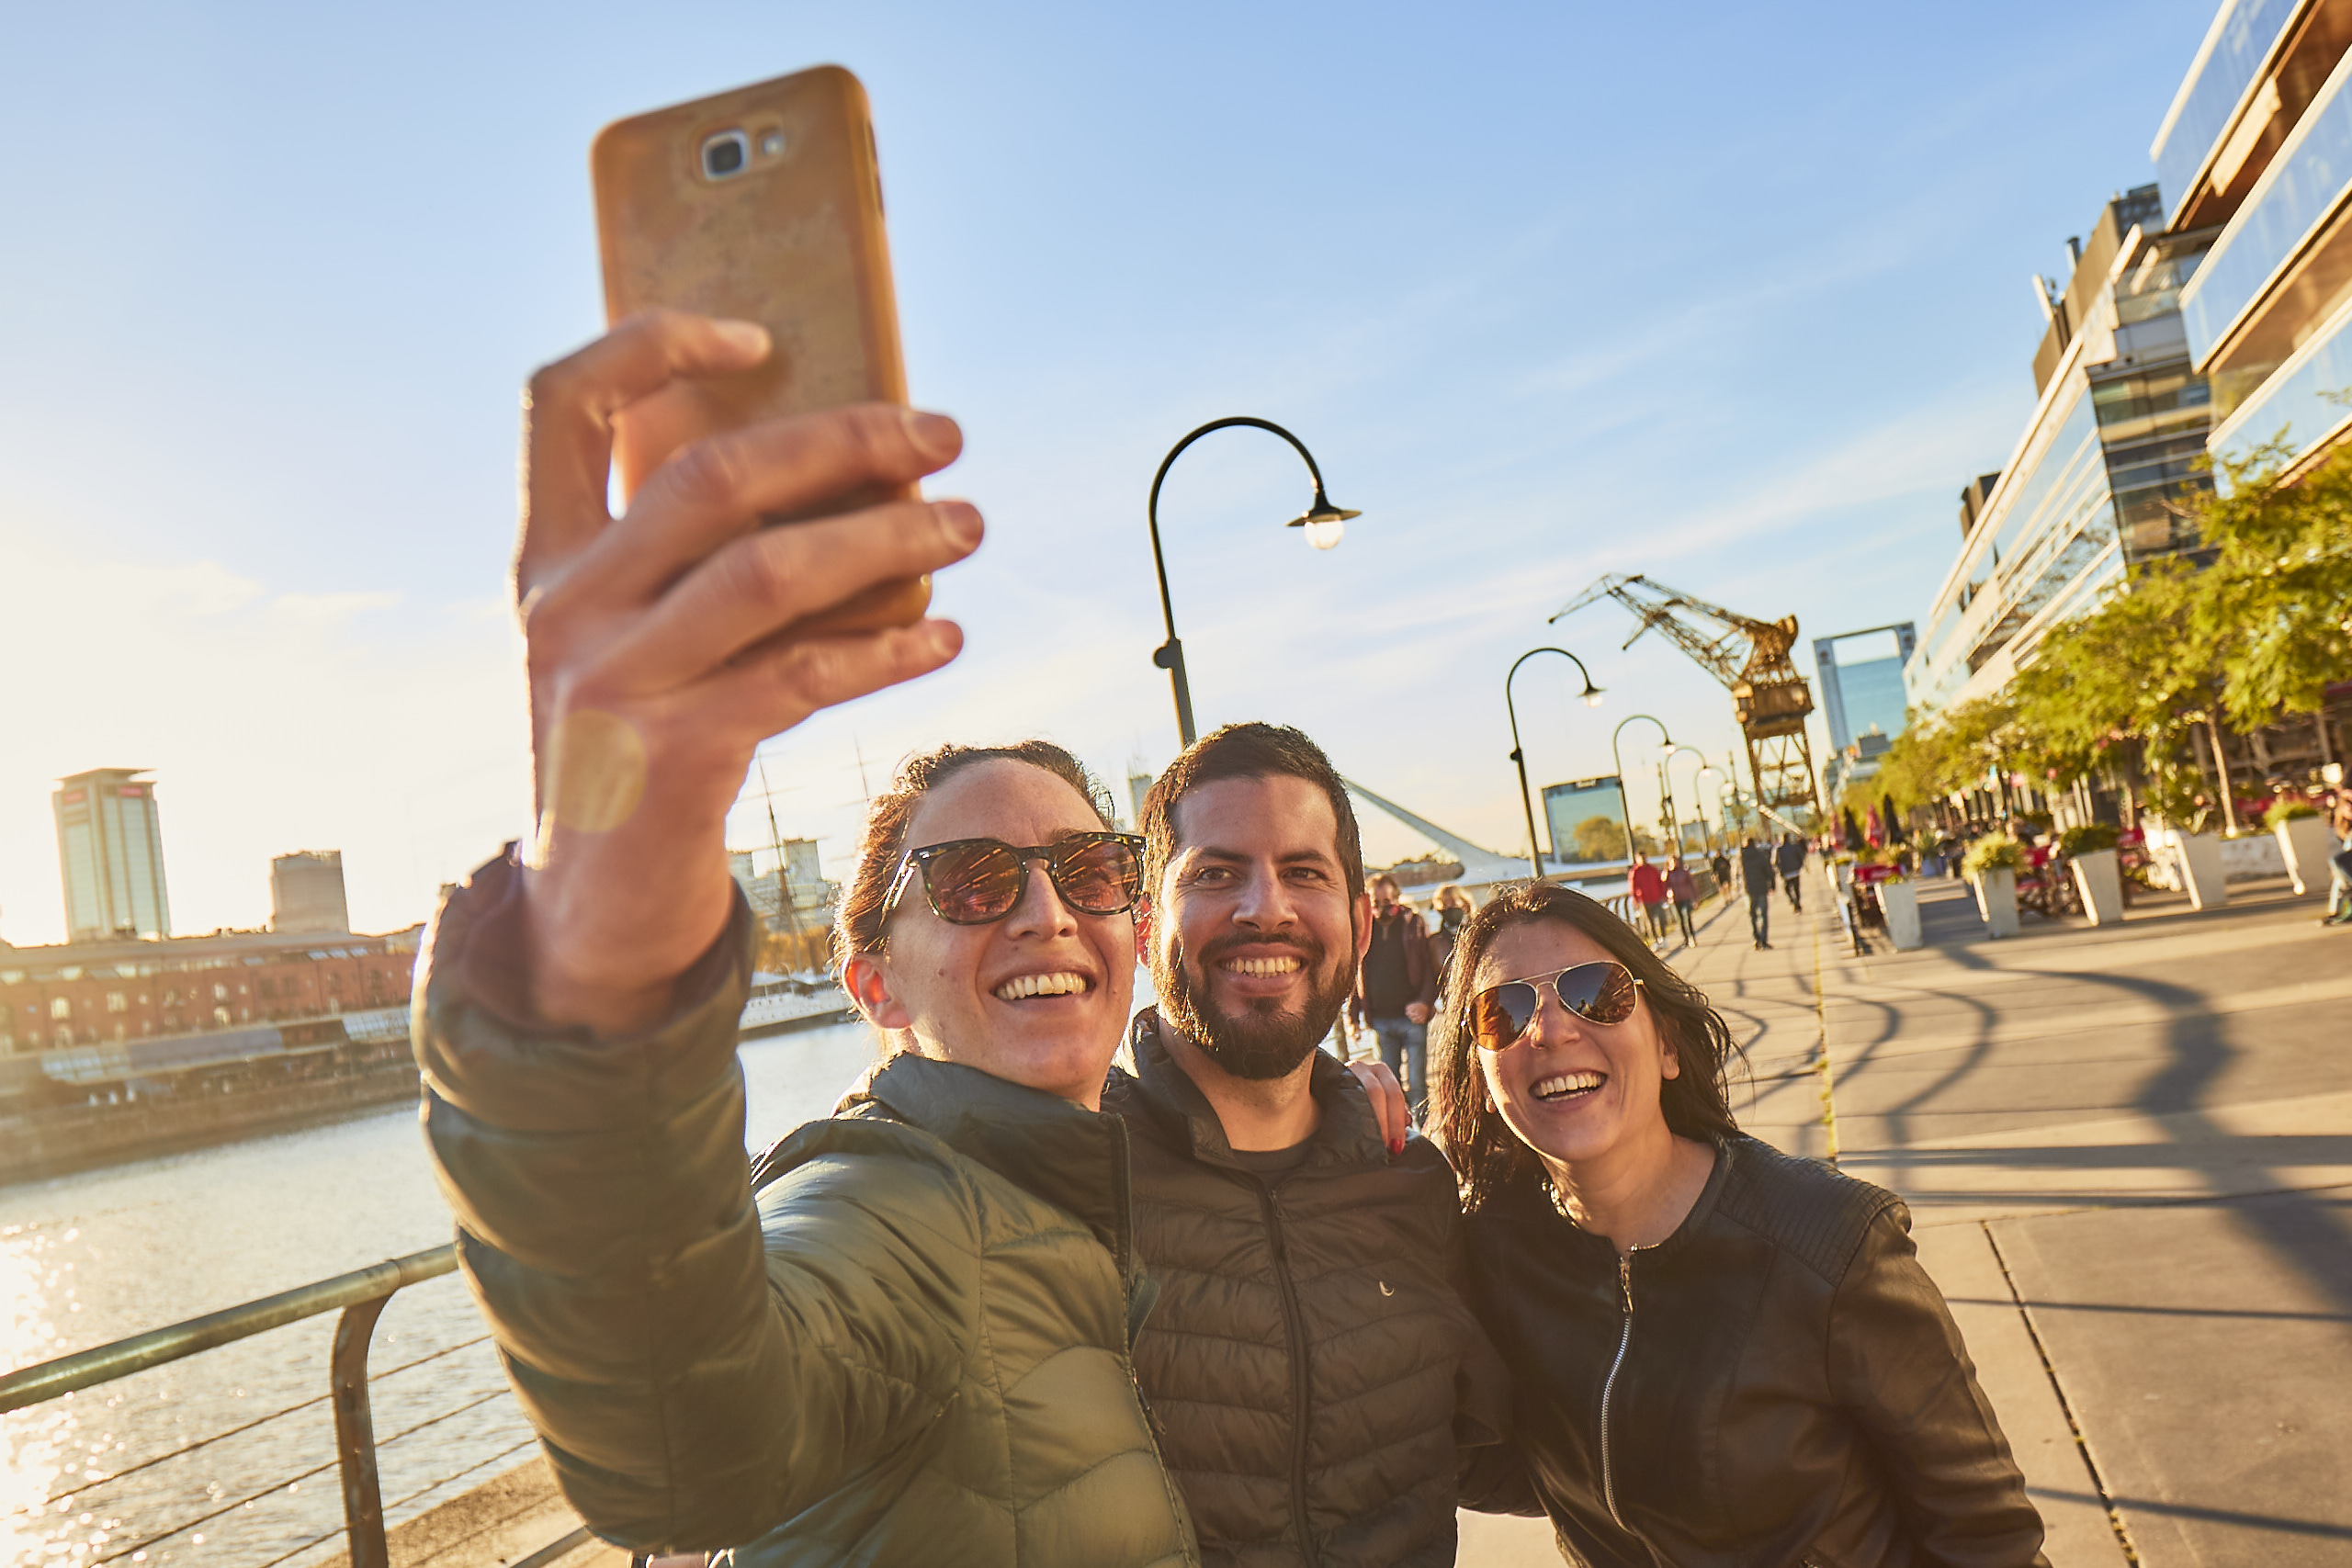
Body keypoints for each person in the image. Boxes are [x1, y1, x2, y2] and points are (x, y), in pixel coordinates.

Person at [415, 312, 1195, 1565]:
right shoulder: (884, 1204)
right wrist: (598, 925)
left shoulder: (1078, 1175)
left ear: (1132, 920)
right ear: (874, 981)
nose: (1047, 909)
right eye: (977, 877)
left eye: (1087, 866)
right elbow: (696, 1441)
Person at [1431, 883, 2050, 1568]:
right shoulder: (1495, 1249)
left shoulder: (1829, 1245)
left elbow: (1990, 1540)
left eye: (1595, 992)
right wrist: (1359, 1175)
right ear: (1482, 1081)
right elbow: (1503, 1463)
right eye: (1503, 1012)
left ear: (1667, 1043)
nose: (1549, 1030)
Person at [1108, 722, 1509, 1566]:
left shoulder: (1414, 1182)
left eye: (1304, 872)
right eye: (1216, 873)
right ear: (1146, 929)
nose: (1266, 907)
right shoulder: (1068, 1176)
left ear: (1361, 926)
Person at [1351, 874, 1438, 1116]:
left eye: (1387, 902)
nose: (1382, 909)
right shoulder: (1363, 930)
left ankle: (1427, 1140)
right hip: (1380, 1020)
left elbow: (1429, 969)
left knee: (1419, 1086)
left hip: (1411, 1018)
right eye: (1376, 904)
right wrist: (1353, 1020)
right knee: (1390, 1089)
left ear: (1397, 898)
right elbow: (1355, 976)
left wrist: (1424, 1003)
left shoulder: (1413, 923)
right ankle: (1403, 1139)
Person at [1739, 834, 1776, 950]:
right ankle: (1764, 940)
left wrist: (1739, 887)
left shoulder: (1741, 857)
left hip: (1748, 890)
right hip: (1761, 888)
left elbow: (1737, 873)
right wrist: (1772, 884)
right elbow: (1769, 870)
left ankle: (1755, 939)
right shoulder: (1760, 855)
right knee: (1763, 915)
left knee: (1752, 916)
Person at [1432, 883, 1474, 973]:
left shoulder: (1475, 935)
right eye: (1445, 905)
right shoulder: (1434, 942)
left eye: (1453, 903)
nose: (1449, 908)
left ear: (1465, 906)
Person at [1627, 852, 1668, 942]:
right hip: (1644, 900)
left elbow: (1660, 882)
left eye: (1644, 858)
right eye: (1641, 858)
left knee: (1661, 918)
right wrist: (1635, 899)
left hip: (1656, 898)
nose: (1643, 860)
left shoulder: (1653, 869)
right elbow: (1632, 887)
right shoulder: (1635, 872)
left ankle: (1663, 938)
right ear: (1637, 859)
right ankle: (1655, 940)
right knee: (1649, 922)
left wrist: (1663, 895)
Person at [2325, 791, 2352, 927]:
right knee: (2338, 869)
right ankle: (2336, 911)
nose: (2349, 807)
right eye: (2347, 804)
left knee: (2339, 861)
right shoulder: (2345, 827)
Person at [1663, 853, 1698, 945]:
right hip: (1674, 899)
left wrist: (1695, 898)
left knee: (1687, 916)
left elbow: (1692, 884)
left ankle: (1692, 937)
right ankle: (1685, 938)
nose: (1674, 863)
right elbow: (1663, 885)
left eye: (1675, 861)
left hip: (1685, 897)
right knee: (1680, 919)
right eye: (1672, 861)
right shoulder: (1668, 873)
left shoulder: (1684, 872)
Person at [1776, 829, 1808, 910]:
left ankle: (1794, 901)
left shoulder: (1779, 850)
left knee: (1787, 889)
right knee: (1796, 889)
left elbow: (1776, 862)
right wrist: (1798, 867)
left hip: (1786, 873)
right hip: (1795, 872)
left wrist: (1780, 870)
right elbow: (1800, 858)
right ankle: (1797, 902)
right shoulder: (1794, 847)